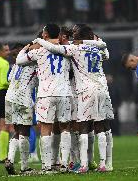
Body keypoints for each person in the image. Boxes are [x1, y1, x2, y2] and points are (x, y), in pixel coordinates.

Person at [33, 25, 110, 173]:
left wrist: (38, 41)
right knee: (98, 127)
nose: (70, 36)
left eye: (74, 33)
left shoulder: (72, 49)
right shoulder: (95, 48)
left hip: (80, 92)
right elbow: (105, 51)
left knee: (81, 128)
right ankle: (100, 163)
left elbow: (56, 50)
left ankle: (81, 163)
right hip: (98, 89)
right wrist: (94, 40)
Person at [16, 24, 73, 173]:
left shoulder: (39, 51)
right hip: (65, 93)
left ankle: (47, 166)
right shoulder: (67, 49)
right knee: (65, 128)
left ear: (45, 35)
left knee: (45, 129)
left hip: (46, 94)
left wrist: (28, 47)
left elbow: (19, 61)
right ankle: (64, 164)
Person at [4, 43, 38, 174]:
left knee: (17, 131)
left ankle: (10, 160)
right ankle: (24, 167)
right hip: (23, 98)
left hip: (10, 97)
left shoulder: (17, 63)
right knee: (25, 132)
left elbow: (9, 79)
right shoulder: (37, 62)